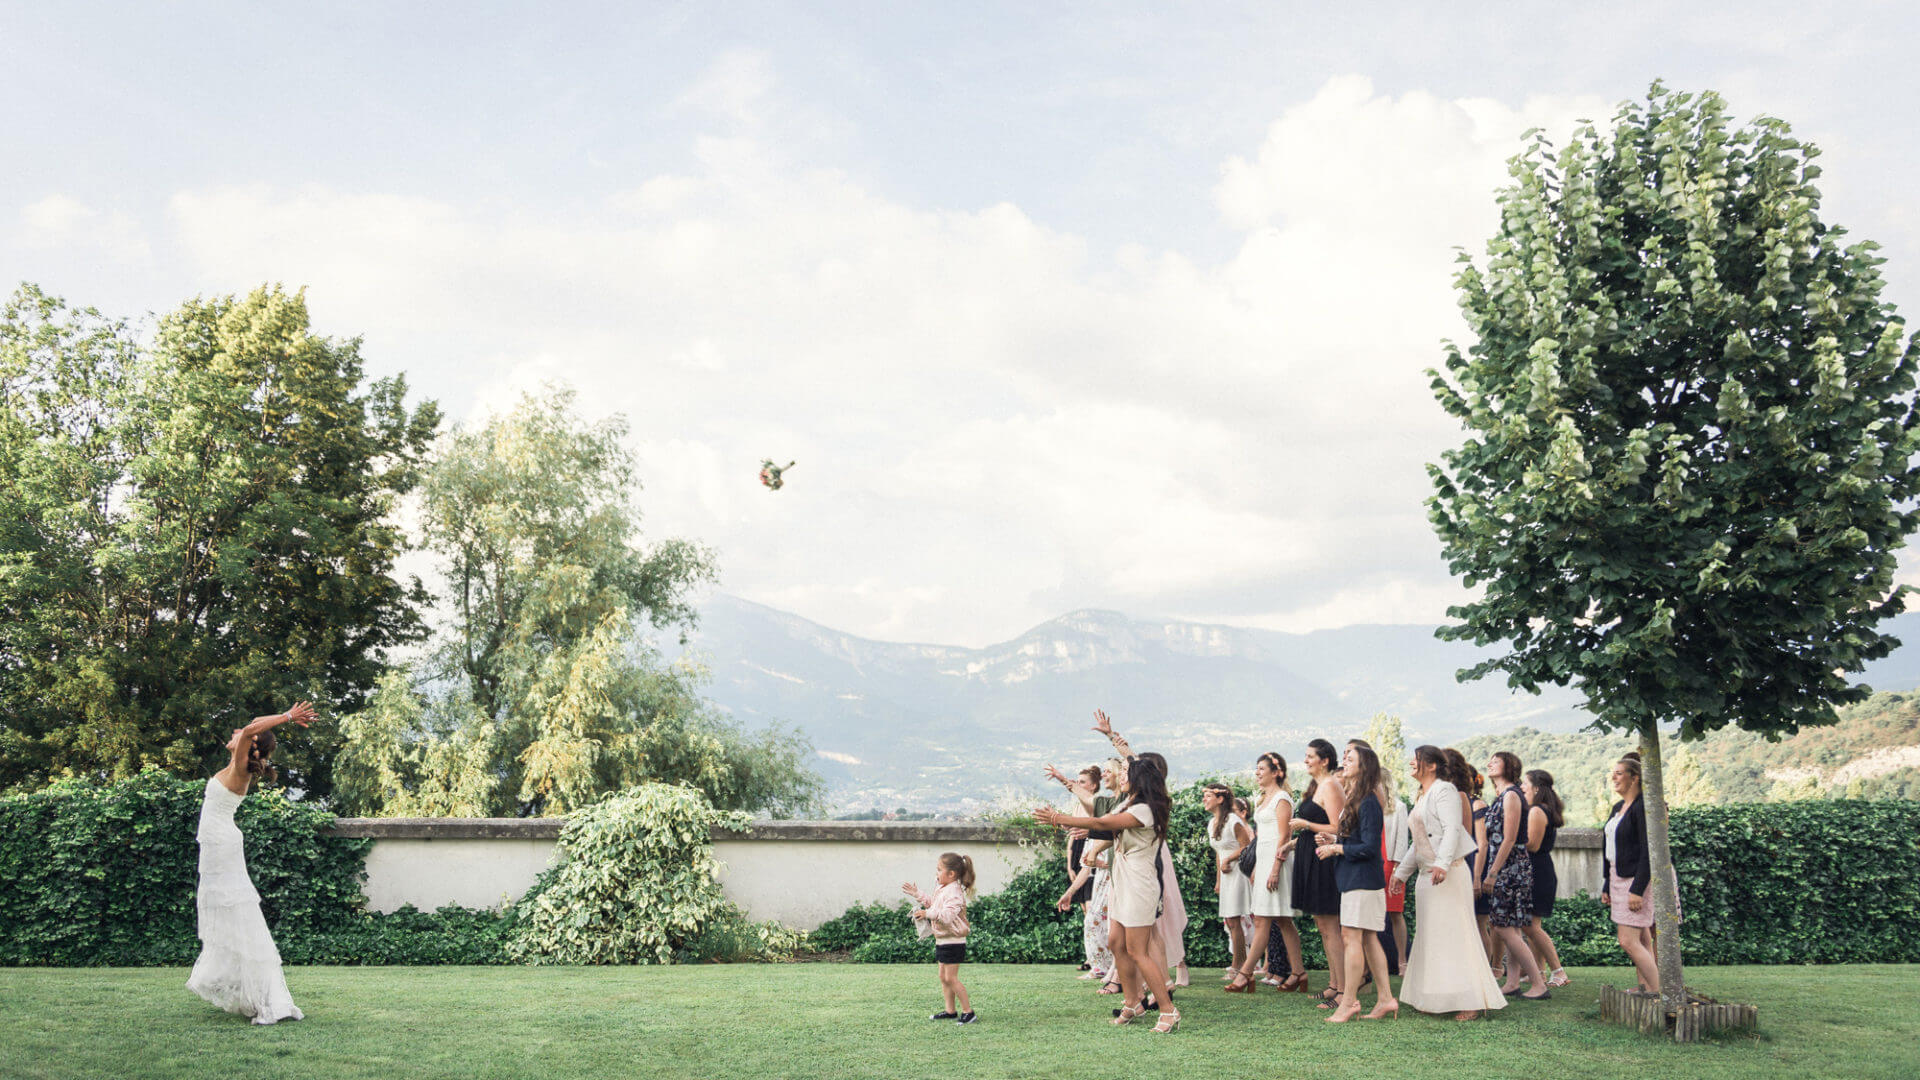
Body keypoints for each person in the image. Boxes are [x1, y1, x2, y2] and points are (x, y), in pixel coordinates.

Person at [186, 702, 316, 1025]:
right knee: (233, 916)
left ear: (251, 743)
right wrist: (275, 719)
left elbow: (249, 728)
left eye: (241, 734)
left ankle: (265, 996)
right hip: (219, 845)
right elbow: (253, 726)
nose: (235, 733)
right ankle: (248, 988)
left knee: (240, 916)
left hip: (221, 846)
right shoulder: (237, 764)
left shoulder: (239, 766)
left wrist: (287, 717)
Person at [1035, 755, 1182, 1033]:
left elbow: (1103, 824)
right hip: (1123, 880)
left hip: (1139, 882)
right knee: (1116, 943)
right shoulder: (1129, 803)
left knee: (1138, 950)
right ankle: (1132, 1002)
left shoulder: (1146, 809)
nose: (1121, 776)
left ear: (1140, 779)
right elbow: (1106, 827)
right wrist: (1085, 834)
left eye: (1127, 772)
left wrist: (1057, 818)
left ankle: (1168, 1009)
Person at [1392, 745, 1507, 1020]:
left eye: (1416, 759)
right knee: (1432, 937)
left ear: (1431, 765)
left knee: (1455, 935)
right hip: (1426, 877)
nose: (1411, 762)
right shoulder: (1423, 796)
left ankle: (1471, 1000)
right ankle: (1433, 997)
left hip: (1448, 873)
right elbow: (1418, 841)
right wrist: (1401, 874)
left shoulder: (1444, 790)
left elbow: (1453, 829)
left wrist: (1442, 864)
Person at [1313, 743, 1397, 1022]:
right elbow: (1359, 841)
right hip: (1358, 879)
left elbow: (1371, 848)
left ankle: (1348, 1002)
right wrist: (1335, 840)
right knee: (1369, 939)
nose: (1345, 761)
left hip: (1362, 881)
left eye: (1351, 758)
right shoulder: (1359, 799)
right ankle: (1385, 999)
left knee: (1352, 938)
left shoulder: (1369, 801)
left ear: (1365, 767)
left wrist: (1337, 849)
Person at [1227, 753, 1306, 994]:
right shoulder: (1264, 799)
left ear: (1277, 772)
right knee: (1283, 920)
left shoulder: (1282, 798)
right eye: (1257, 768)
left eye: (1262, 768)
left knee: (1262, 919)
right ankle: (1299, 973)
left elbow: (1284, 837)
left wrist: (1274, 868)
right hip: (1263, 863)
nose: (1257, 772)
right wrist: (1256, 869)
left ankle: (1245, 974)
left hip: (1277, 863)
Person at [1481, 752, 1550, 999]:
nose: (1490, 763)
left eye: (1496, 761)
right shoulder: (1502, 796)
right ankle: (1512, 982)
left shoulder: (1511, 795)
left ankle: (1538, 984)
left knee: (1503, 926)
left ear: (1509, 767)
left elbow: (1509, 838)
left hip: (1510, 867)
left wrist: (1492, 873)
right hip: (1507, 866)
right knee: (1510, 926)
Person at [1049, 759, 1122, 991]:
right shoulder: (1096, 808)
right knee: (1095, 922)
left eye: (1109, 771)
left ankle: (1115, 973)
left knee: (1110, 926)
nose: (1105, 775)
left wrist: (1060, 818)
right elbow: (1087, 861)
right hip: (1101, 875)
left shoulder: (1115, 806)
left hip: (1117, 876)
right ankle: (1105, 969)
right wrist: (1069, 892)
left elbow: (1104, 827)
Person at [1291, 738, 1347, 1004]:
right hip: (1310, 858)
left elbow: (1339, 828)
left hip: (1325, 862)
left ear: (1325, 760)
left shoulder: (1332, 785)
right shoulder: (1318, 786)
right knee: (1322, 925)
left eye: (1310, 756)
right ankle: (1333, 983)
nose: (1305, 760)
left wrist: (1305, 823)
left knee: (1330, 926)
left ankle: (1343, 988)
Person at [1351, 738, 1412, 975]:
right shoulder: (1366, 803)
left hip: (1392, 864)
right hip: (1373, 860)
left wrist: (1398, 868)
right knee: (1372, 915)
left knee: (1395, 913)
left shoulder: (1398, 806)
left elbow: (1400, 841)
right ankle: (1371, 964)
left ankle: (1402, 960)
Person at [1602, 756, 1660, 994]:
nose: (1614, 777)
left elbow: (1649, 852)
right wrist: (1607, 883)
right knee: (1643, 940)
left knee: (1627, 940)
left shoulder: (1643, 807)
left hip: (1635, 879)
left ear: (1634, 777)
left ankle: (1660, 994)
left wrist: (1637, 889)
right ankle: (1646, 988)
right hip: (1617, 875)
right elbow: (1609, 847)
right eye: (1613, 773)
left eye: (1619, 773)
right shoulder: (1618, 808)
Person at [903, 853, 977, 1024]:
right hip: (943, 940)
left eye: (939, 870)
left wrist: (927, 913)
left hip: (954, 942)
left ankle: (968, 1012)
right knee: (943, 977)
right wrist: (917, 894)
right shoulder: (943, 888)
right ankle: (950, 1011)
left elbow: (948, 916)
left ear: (951, 874)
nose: (936, 873)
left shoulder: (955, 892)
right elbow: (934, 904)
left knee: (951, 978)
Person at [1521, 769, 1570, 989]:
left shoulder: (1537, 811)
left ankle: (1558, 971)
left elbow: (1532, 845)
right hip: (1539, 870)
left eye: (1525, 783)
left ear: (1536, 788)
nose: (1522, 787)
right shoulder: (1542, 810)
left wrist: (1510, 841)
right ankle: (1538, 972)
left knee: (1531, 926)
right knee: (1532, 925)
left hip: (1537, 872)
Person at [1202, 783, 1253, 976]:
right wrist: (1218, 880)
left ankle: (1238, 965)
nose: (1204, 800)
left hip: (1238, 873)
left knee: (1234, 919)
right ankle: (1240, 963)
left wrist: (1230, 859)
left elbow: (1246, 846)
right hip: (1225, 875)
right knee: (1230, 921)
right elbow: (1218, 853)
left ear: (1220, 798)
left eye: (1208, 796)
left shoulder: (1233, 820)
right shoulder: (1211, 823)